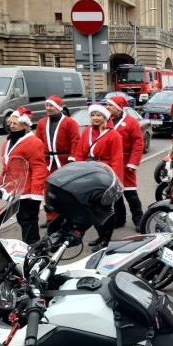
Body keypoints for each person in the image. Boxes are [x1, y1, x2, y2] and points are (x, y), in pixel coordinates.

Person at [75, 104, 124, 251]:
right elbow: (80, 153)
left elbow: (117, 160)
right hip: (89, 172)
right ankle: (101, 235)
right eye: (93, 115)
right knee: (92, 207)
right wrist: (78, 172)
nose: (95, 118)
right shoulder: (87, 132)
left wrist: (113, 181)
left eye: (99, 115)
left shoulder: (113, 135)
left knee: (105, 208)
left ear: (105, 117)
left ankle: (106, 241)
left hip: (105, 174)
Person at [1, 108, 48, 245]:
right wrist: (1, 185)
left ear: (25, 125)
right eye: (10, 123)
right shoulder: (7, 142)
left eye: (15, 123)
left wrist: (36, 193)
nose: (12, 125)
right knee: (22, 219)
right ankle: (29, 246)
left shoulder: (34, 142)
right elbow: (6, 167)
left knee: (29, 220)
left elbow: (39, 168)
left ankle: (33, 248)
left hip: (27, 191)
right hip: (14, 190)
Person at [35, 95, 80, 228]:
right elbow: (38, 142)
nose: (48, 108)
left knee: (66, 191)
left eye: (51, 106)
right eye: (47, 106)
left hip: (64, 160)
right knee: (48, 190)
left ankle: (69, 218)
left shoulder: (70, 123)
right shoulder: (42, 123)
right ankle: (51, 218)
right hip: (48, 161)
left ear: (59, 107)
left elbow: (75, 140)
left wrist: (72, 158)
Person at [106, 96, 144, 232]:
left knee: (130, 192)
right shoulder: (106, 121)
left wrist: (133, 163)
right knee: (115, 192)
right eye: (107, 105)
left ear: (118, 107)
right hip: (110, 161)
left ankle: (139, 219)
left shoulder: (131, 122)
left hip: (126, 161)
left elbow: (138, 144)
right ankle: (119, 218)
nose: (107, 107)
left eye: (110, 105)